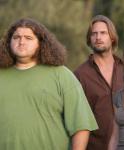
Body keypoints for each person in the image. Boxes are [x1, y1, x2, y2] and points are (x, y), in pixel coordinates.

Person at [0, 18, 98, 150]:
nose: (21, 42)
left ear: (41, 44)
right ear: (8, 42)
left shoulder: (62, 75)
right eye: (16, 37)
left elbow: (81, 125)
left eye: (28, 38)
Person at [74, 15, 124, 150]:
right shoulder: (79, 74)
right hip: (95, 146)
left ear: (112, 38)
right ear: (89, 39)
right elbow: (75, 117)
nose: (98, 37)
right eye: (94, 34)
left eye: (103, 33)